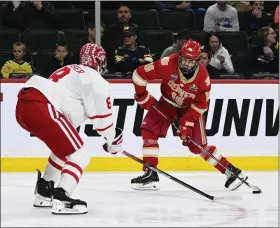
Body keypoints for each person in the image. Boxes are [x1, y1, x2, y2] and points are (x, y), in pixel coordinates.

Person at [15, 43, 123, 215]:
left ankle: (44, 191)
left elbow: (68, 106)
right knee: (80, 154)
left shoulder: (69, 69)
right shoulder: (95, 80)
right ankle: (62, 196)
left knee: (64, 149)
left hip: (24, 106)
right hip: (44, 107)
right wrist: (114, 140)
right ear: (99, 61)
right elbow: (104, 124)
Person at [130, 40, 248, 191]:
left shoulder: (203, 78)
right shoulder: (167, 63)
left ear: (197, 60)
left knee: (196, 145)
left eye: (190, 61)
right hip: (167, 102)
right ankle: (150, 172)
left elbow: (201, 104)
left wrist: (187, 123)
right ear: (179, 56)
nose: (186, 63)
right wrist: (142, 96)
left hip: (190, 109)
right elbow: (138, 75)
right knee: (149, 128)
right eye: (184, 59)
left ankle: (230, 171)